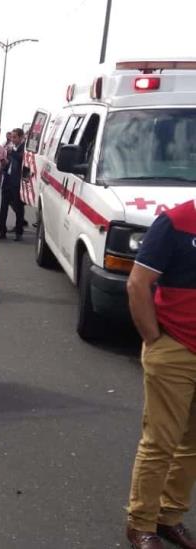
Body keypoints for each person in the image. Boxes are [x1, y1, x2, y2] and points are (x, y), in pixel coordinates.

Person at [125, 199, 196, 549]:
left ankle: (170, 517)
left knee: (192, 445)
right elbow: (138, 284)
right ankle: (141, 523)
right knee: (160, 443)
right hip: (176, 348)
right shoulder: (175, 222)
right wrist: (154, 340)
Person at [0, 128, 25, 241]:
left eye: (15, 137)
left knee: (18, 208)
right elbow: (8, 162)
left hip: (17, 182)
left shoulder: (24, 148)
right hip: (7, 179)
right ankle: (2, 232)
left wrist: (12, 152)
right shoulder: (10, 148)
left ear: (21, 137)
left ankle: (19, 232)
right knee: (3, 207)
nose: (12, 139)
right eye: (11, 137)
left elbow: (20, 158)